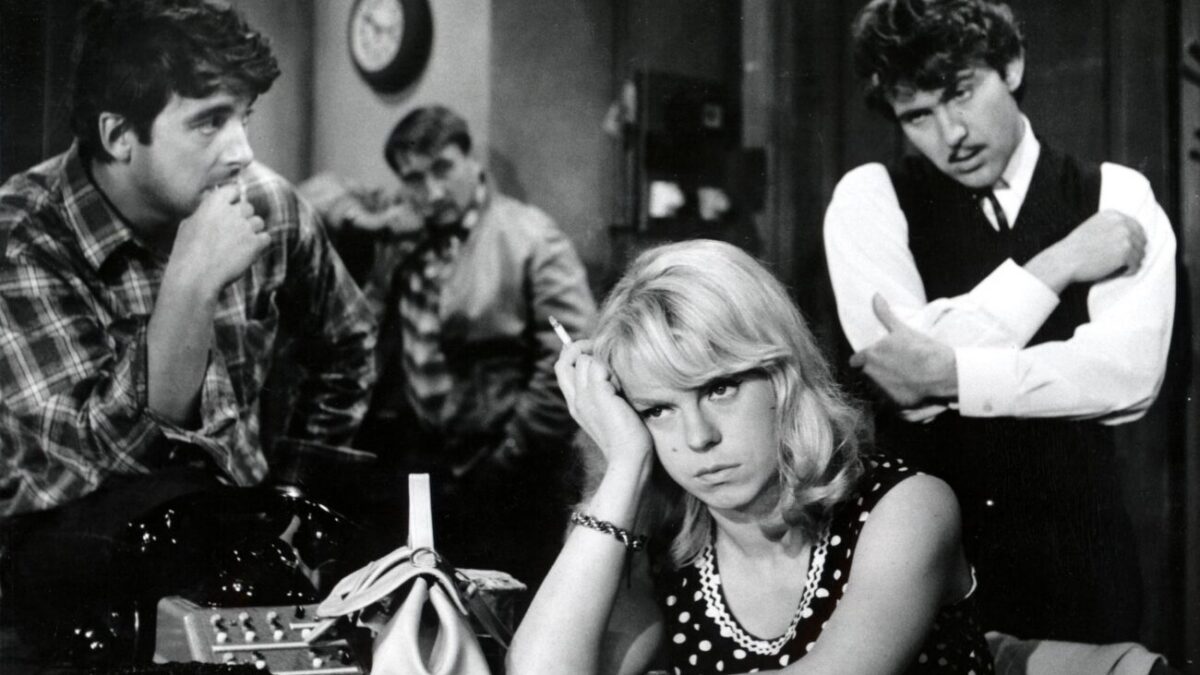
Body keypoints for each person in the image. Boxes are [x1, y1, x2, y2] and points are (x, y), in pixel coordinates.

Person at [0, 0, 375, 659]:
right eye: (209, 121)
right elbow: (102, 463)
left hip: (245, 561)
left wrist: (295, 487)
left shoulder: (268, 206)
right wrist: (190, 287)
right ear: (119, 135)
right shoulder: (23, 237)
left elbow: (348, 344)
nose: (243, 152)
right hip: (73, 600)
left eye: (243, 117)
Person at [823, 0, 1175, 643]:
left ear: (1010, 66)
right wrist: (1058, 265)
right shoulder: (867, 197)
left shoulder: (1117, 193)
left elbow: (1126, 376)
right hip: (927, 566)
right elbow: (902, 375)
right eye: (918, 115)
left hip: (1082, 564)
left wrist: (948, 373)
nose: (950, 134)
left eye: (961, 93)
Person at [508, 240, 994, 675]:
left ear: (782, 375)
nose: (698, 438)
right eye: (657, 410)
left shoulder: (907, 506)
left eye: (719, 389)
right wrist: (625, 465)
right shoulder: (659, 541)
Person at [354, 105, 596, 589]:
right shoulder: (404, 237)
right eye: (415, 179)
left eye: (443, 169)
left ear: (471, 160)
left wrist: (513, 450)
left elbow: (571, 351)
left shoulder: (531, 236)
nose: (433, 192)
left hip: (509, 472)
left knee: (506, 607)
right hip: (426, 463)